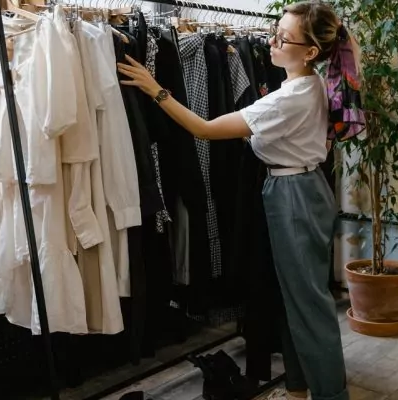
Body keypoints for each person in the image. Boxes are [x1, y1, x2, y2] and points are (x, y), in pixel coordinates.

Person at [117, 2, 358, 399]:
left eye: (283, 37)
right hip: (300, 189)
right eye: (275, 31)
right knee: (293, 299)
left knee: (309, 305)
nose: (272, 41)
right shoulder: (308, 84)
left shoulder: (290, 97)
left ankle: (332, 395)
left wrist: (155, 89)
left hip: (294, 195)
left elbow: (206, 128)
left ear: (311, 52)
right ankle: (298, 388)